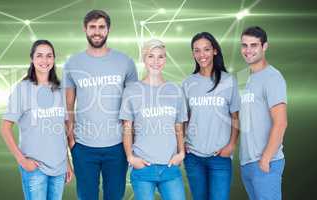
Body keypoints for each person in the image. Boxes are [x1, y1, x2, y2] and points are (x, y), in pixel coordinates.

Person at [63, 10, 138, 200]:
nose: (97, 32)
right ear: (85, 29)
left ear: (108, 29)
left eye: (101, 27)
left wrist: (132, 142)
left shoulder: (125, 62)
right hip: (83, 147)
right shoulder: (73, 63)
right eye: (92, 27)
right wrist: (71, 140)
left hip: (118, 146)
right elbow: (68, 106)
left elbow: (134, 106)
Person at [0, 40, 73, 200]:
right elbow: (5, 128)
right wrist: (22, 160)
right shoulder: (22, 89)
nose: (44, 60)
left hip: (59, 169)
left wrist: (67, 162)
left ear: (53, 60)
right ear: (32, 59)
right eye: (39, 56)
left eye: (49, 56)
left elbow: (62, 129)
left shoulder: (60, 90)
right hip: (35, 168)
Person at [120, 39, 187, 200]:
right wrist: (130, 157)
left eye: (161, 57)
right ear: (144, 59)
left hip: (170, 167)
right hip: (143, 168)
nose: (156, 61)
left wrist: (181, 153)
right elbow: (127, 128)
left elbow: (178, 125)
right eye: (151, 56)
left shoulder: (175, 90)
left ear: (165, 60)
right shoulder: (132, 91)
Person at [182, 32, 240, 200]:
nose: (202, 55)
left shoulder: (229, 81)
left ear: (215, 51)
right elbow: (184, 119)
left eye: (206, 49)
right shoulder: (188, 83)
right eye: (197, 50)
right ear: (193, 54)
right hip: (193, 157)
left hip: (220, 157)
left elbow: (235, 117)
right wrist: (182, 144)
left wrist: (231, 146)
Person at [239, 26, 288, 200]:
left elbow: (281, 122)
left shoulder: (272, 77)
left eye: (254, 45)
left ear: (264, 46)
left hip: (266, 163)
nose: (248, 50)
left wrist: (266, 159)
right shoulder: (244, 78)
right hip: (247, 163)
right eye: (244, 45)